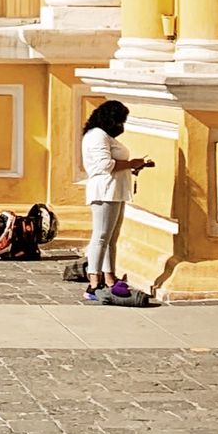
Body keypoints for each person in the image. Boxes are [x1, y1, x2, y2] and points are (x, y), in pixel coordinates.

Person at [79, 99, 153, 304]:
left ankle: (109, 277)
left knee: (111, 238)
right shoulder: (96, 136)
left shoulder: (105, 136)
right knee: (101, 236)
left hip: (116, 191)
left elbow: (115, 164)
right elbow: (104, 164)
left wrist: (133, 167)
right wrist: (131, 163)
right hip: (105, 192)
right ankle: (94, 281)